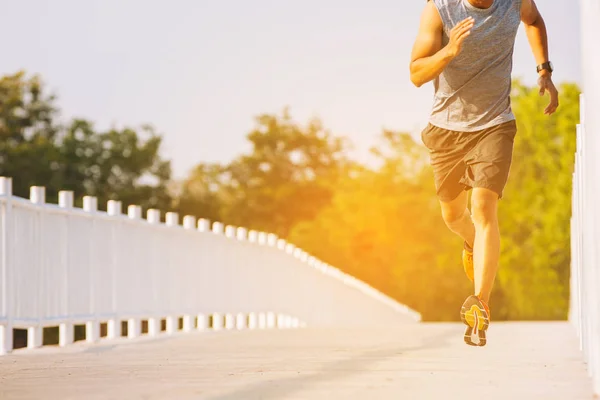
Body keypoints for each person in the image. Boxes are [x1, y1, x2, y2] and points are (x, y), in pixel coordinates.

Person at [410, 0, 559, 346]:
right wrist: (449, 51)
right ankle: (472, 244)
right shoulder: (440, 9)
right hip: (446, 128)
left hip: (495, 124)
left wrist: (544, 71)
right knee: (453, 216)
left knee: (483, 208)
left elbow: (534, 20)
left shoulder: (513, 3)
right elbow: (416, 74)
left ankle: (480, 302)